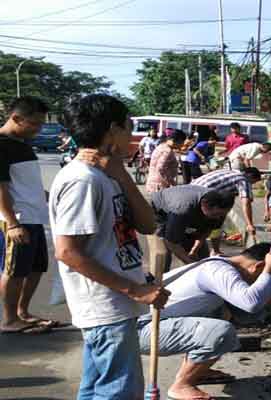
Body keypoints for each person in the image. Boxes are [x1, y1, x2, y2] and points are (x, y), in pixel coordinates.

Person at [49, 94, 170, 399]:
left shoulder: (106, 175)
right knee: (118, 391)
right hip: (105, 306)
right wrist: (135, 290)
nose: (132, 135)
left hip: (115, 306)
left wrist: (122, 175)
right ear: (113, 130)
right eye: (129, 127)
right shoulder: (83, 180)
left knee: (99, 390)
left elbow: (146, 225)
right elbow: (67, 252)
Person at [136, 243, 271, 400]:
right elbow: (251, 303)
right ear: (258, 266)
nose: (257, 283)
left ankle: (198, 370)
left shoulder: (222, 264)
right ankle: (182, 385)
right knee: (222, 332)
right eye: (260, 277)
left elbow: (244, 312)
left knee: (223, 312)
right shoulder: (218, 271)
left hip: (158, 323)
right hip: (143, 329)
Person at [0, 96, 55, 334]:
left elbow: (26, 184)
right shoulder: (1, 144)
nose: (38, 129)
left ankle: (23, 312)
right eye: (34, 123)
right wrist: (12, 222)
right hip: (17, 219)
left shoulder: (22, 143)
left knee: (36, 268)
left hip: (35, 218)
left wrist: (52, 196)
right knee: (14, 270)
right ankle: (9, 319)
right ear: (16, 118)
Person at [150, 185, 236, 271]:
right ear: (204, 205)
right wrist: (190, 263)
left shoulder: (219, 206)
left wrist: (194, 250)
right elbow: (171, 242)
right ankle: (158, 281)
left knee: (202, 256)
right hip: (159, 212)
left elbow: (207, 230)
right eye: (215, 215)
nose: (218, 218)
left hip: (185, 212)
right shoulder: (182, 209)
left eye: (222, 215)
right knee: (163, 254)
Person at [192, 167, 262, 255]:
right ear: (250, 177)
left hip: (191, 191)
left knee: (202, 223)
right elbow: (246, 202)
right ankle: (211, 251)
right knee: (216, 221)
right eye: (253, 182)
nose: (251, 185)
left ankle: (203, 249)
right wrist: (249, 224)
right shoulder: (243, 180)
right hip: (203, 197)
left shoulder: (231, 172)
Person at [146, 128, 186, 193]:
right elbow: (160, 168)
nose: (182, 145)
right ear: (174, 140)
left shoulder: (161, 146)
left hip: (153, 183)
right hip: (160, 186)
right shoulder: (167, 151)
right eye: (181, 142)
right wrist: (172, 183)